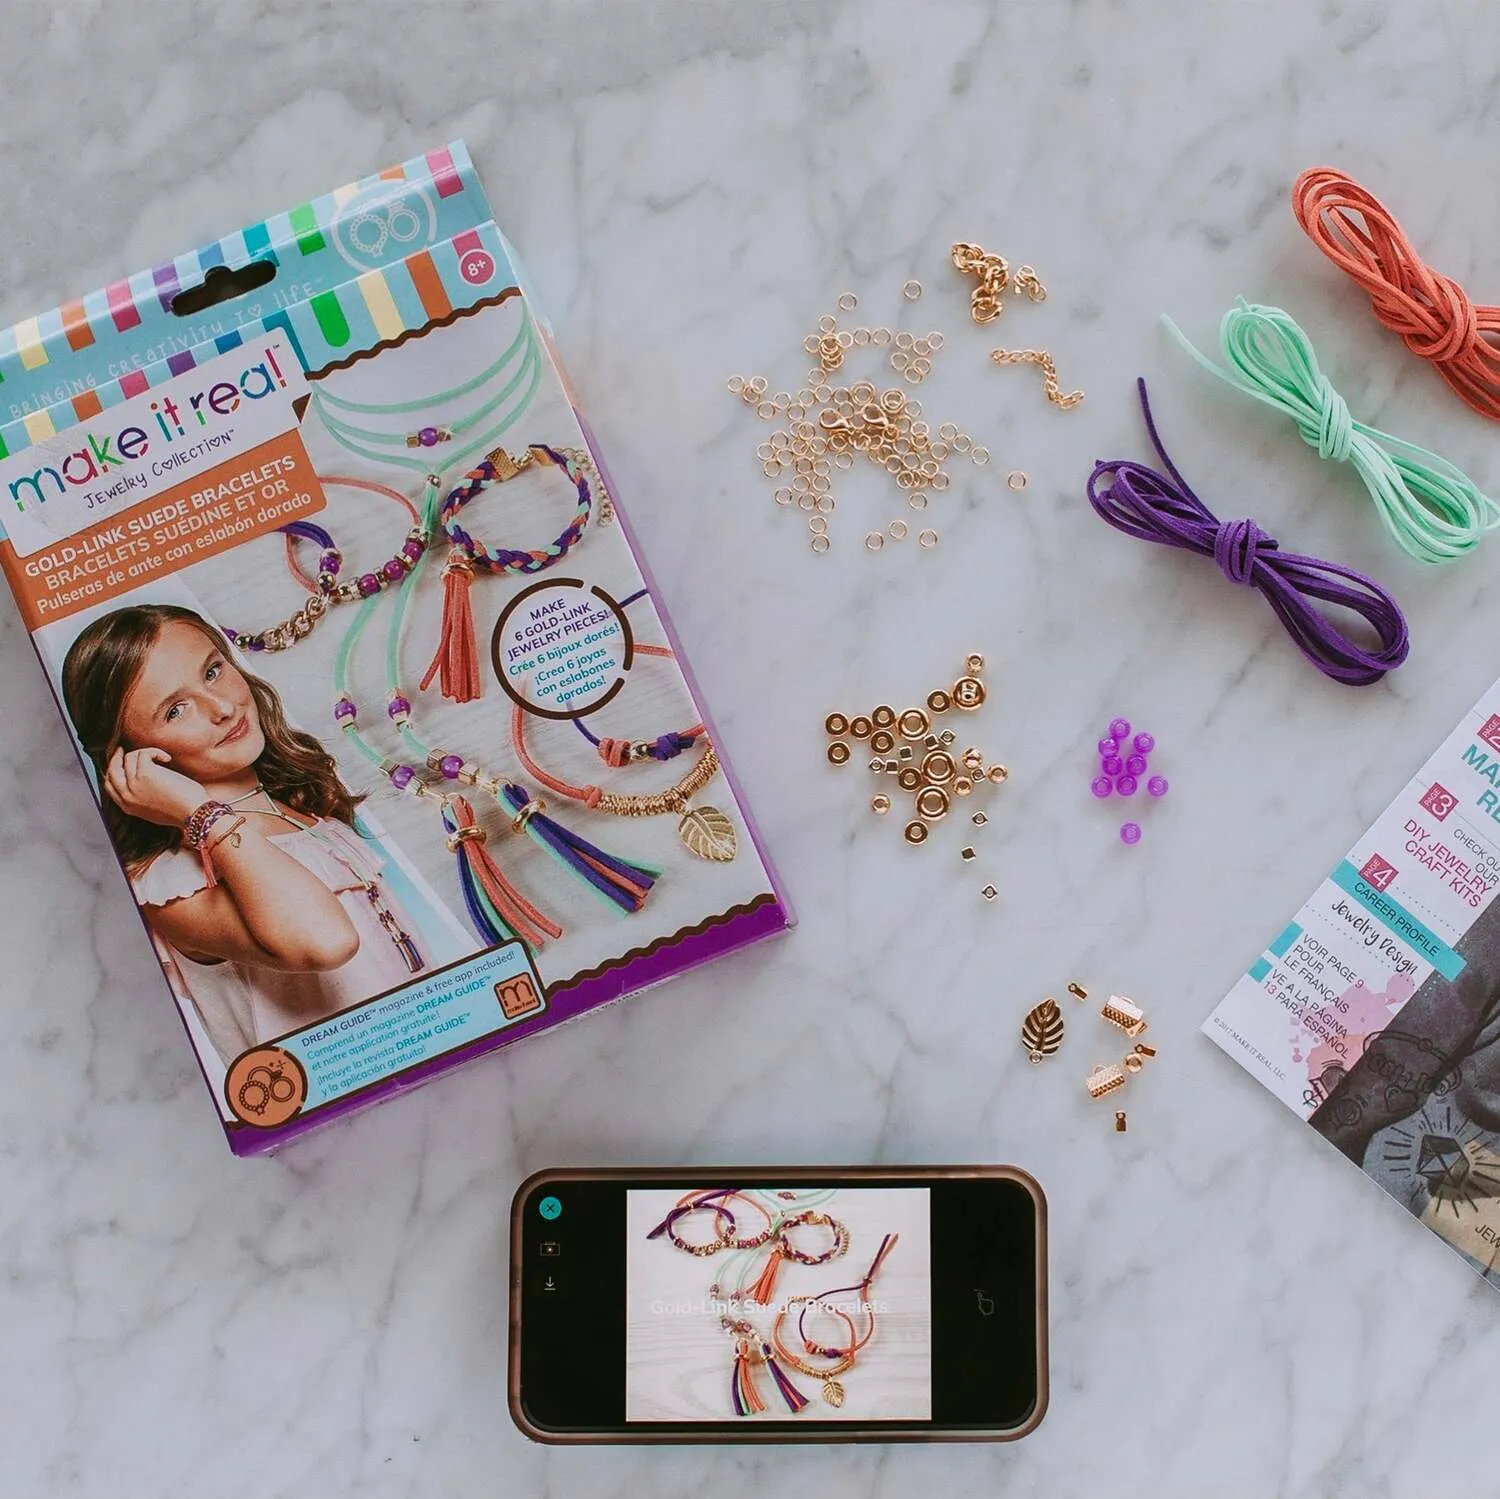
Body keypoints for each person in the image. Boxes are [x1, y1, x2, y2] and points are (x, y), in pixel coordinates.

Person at [62, 603, 427, 1065]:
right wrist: (199, 813)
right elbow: (326, 942)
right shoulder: (172, 887)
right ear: (129, 756)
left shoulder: (301, 811)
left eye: (213, 671)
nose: (221, 707)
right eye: (175, 710)